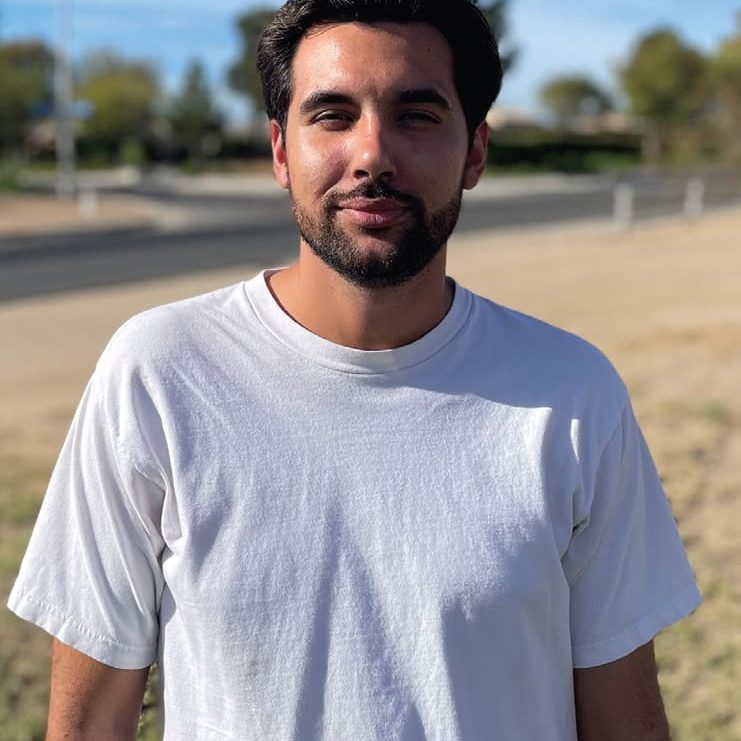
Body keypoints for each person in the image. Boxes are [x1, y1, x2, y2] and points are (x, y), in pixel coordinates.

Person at [8, 1, 701, 738]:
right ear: (280, 151)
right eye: (332, 115)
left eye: (417, 115)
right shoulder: (156, 376)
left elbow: (624, 723)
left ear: (474, 152)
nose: (372, 155)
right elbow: (86, 726)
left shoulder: (570, 395)